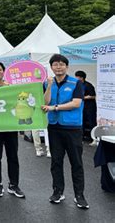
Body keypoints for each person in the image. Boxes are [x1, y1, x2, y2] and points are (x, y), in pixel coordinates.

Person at [42, 54, 89, 209]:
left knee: (76, 162)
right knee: (56, 161)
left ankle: (79, 195)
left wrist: (55, 108)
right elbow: (45, 102)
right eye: (55, 64)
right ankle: (58, 191)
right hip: (54, 127)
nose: (58, 67)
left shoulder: (75, 83)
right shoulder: (47, 83)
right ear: (51, 67)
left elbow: (76, 104)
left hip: (72, 127)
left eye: (62, 64)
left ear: (67, 67)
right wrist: (48, 86)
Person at [0, 61, 25, 199]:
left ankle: (14, 184)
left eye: (0, 69)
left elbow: (19, 102)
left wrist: (10, 90)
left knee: (13, 156)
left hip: (10, 125)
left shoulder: (11, 86)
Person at [74, 70, 97, 145]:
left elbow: (93, 96)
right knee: (81, 122)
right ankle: (81, 138)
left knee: (91, 122)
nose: (76, 78)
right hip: (81, 106)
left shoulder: (88, 85)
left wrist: (82, 97)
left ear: (82, 78)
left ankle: (94, 139)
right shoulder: (76, 85)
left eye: (77, 77)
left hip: (90, 107)